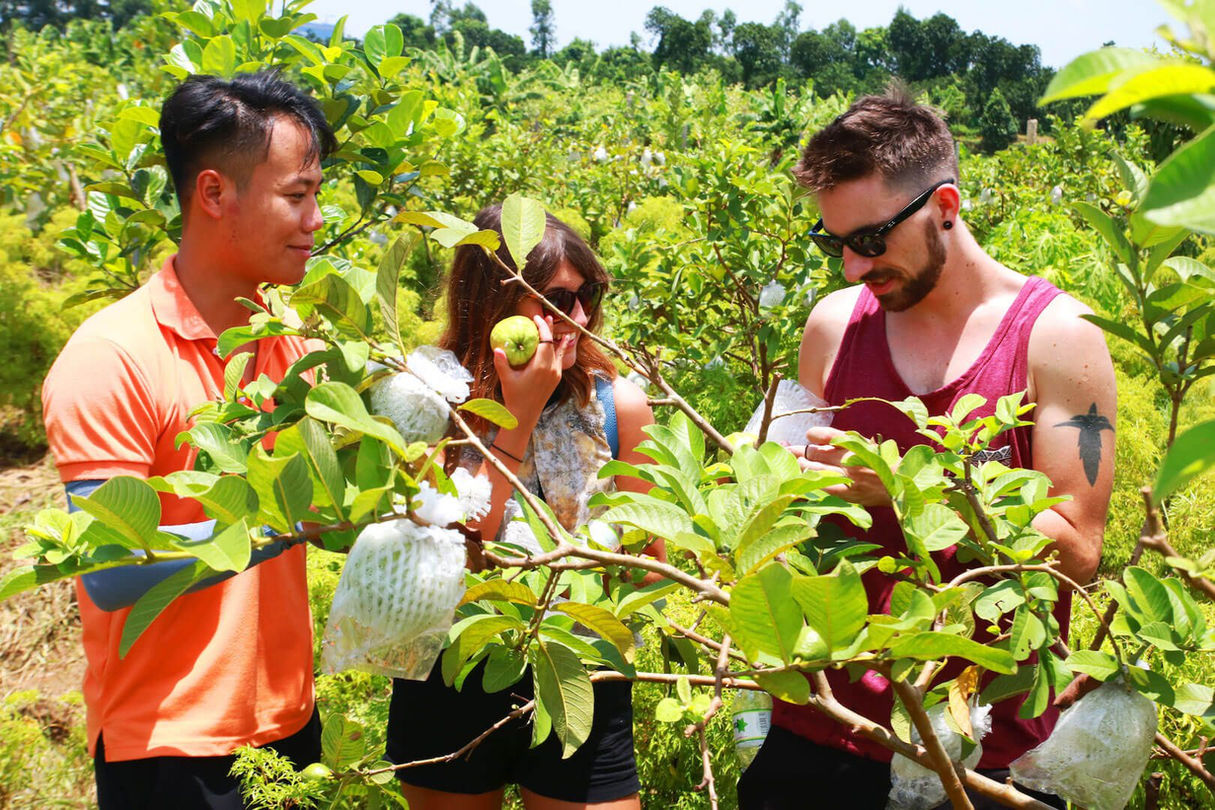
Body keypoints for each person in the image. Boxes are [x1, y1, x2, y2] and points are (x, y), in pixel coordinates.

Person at [737, 90, 1116, 809]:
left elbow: (1076, 551)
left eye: (870, 241)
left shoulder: (1060, 339)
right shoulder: (833, 326)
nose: (852, 267)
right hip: (823, 720)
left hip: (977, 749)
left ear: (944, 205)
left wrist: (902, 489)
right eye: (834, 243)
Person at [40, 71, 336, 808]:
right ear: (214, 194)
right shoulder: (112, 356)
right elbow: (108, 572)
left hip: (289, 725)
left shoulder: (286, 345)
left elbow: (323, 519)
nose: (316, 219)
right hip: (174, 748)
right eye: (296, 197)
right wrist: (278, 520)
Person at [384, 205, 663, 810]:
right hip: (450, 668)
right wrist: (521, 413)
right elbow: (456, 546)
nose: (579, 318)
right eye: (556, 299)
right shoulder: (430, 401)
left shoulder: (620, 408)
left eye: (588, 295)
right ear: (491, 303)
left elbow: (652, 560)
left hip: (581, 675)